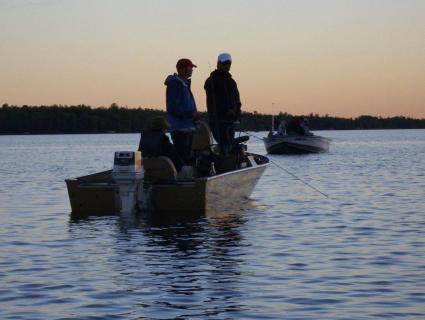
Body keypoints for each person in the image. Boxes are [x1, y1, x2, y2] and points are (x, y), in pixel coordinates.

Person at [204, 53, 241, 155]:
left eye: (229, 63)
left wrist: (237, 115)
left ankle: (230, 164)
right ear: (218, 64)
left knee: (230, 146)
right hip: (218, 122)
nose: (227, 66)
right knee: (225, 146)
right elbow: (213, 101)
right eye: (224, 63)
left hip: (231, 122)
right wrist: (226, 110)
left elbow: (237, 101)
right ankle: (224, 165)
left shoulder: (232, 82)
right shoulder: (211, 81)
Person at [164, 58, 200, 163]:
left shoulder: (183, 84)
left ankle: (186, 176)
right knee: (182, 157)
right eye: (191, 67)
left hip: (187, 127)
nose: (192, 70)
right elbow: (173, 108)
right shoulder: (175, 84)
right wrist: (192, 114)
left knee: (187, 157)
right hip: (180, 129)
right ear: (184, 69)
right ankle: (181, 177)